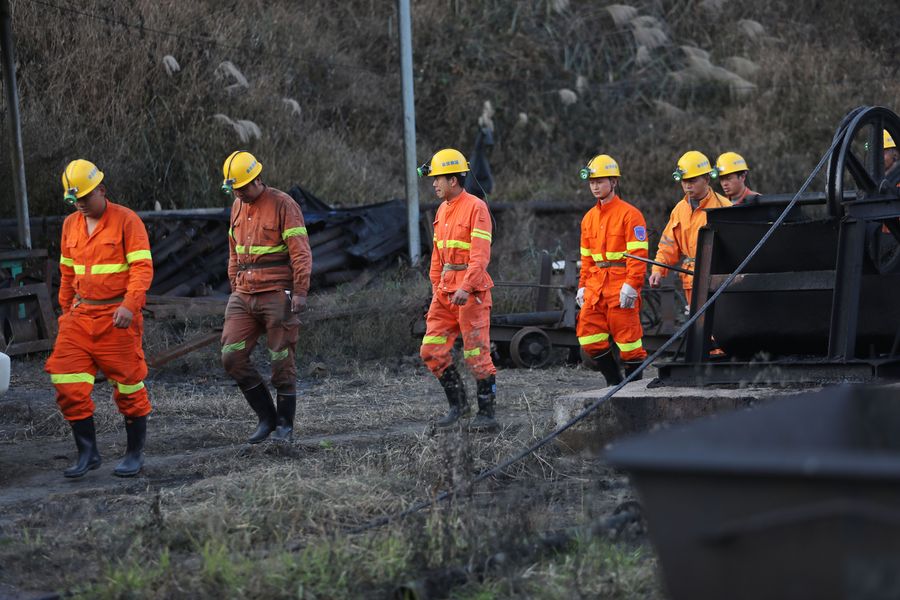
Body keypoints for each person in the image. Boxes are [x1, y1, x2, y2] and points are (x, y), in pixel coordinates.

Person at [45, 159, 154, 478]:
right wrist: (66, 311)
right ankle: (88, 453)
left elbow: (141, 269)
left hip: (116, 316)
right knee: (66, 379)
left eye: (85, 198)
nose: (80, 204)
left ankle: (134, 453)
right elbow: (67, 273)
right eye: (74, 200)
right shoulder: (70, 225)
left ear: (102, 190)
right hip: (80, 316)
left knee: (129, 385)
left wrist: (129, 305)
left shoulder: (126, 221)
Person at [220, 151, 312, 444]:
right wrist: (235, 284)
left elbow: (300, 251)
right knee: (231, 356)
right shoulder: (236, 205)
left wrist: (299, 291)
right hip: (243, 294)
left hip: (276, 293)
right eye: (235, 188)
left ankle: (285, 425)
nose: (240, 193)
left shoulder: (283, 204)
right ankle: (266, 418)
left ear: (258, 179)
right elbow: (233, 250)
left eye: (244, 187)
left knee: (281, 359)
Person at [418, 148, 499, 431]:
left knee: (477, 354)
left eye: (438, 179)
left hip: (470, 293)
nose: (434, 184)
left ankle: (487, 415)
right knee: (431, 349)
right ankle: (459, 406)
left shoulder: (476, 207)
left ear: (454, 179)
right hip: (444, 293)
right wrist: (436, 287)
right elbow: (438, 255)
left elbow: (480, 256)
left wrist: (467, 286)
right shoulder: (442, 210)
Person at [575, 154, 649, 385]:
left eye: (600, 181)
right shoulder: (588, 219)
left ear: (614, 182)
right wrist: (582, 287)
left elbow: (638, 255)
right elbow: (586, 259)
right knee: (589, 338)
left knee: (630, 345)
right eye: (592, 182)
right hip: (596, 286)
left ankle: (634, 390)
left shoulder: (631, 214)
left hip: (620, 285)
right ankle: (614, 383)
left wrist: (632, 285)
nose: (595, 186)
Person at [649, 150, 731, 308]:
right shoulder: (679, 210)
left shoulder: (724, 207)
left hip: (717, 282)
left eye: (692, 180)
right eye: (684, 181)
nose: (687, 185)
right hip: (690, 283)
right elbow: (667, 245)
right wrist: (658, 270)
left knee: (717, 330)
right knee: (698, 330)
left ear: (707, 179)